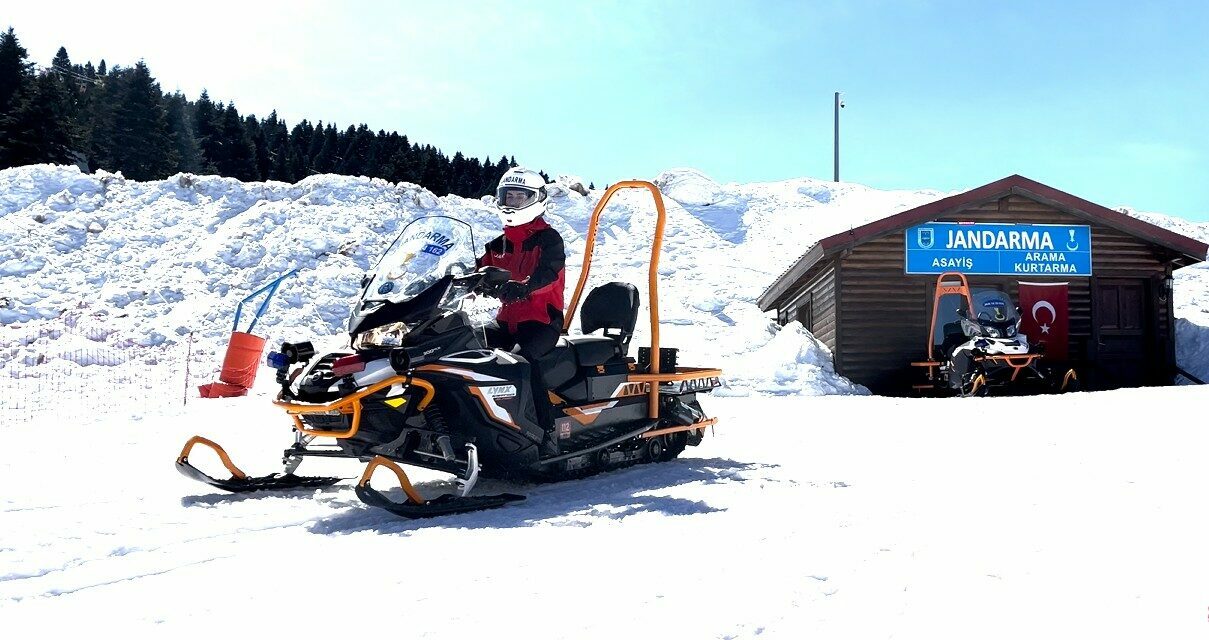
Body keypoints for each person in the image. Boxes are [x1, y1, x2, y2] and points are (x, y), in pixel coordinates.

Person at [477, 167, 566, 432]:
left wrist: (524, 288)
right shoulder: (497, 245)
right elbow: (476, 270)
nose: (513, 203)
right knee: (463, 348)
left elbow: (549, 273)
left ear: (537, 200)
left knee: (521, 363)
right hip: (505, 322)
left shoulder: (549, 239)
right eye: (509, 196)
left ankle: (543, 430)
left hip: (541, 322)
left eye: (521, 197)